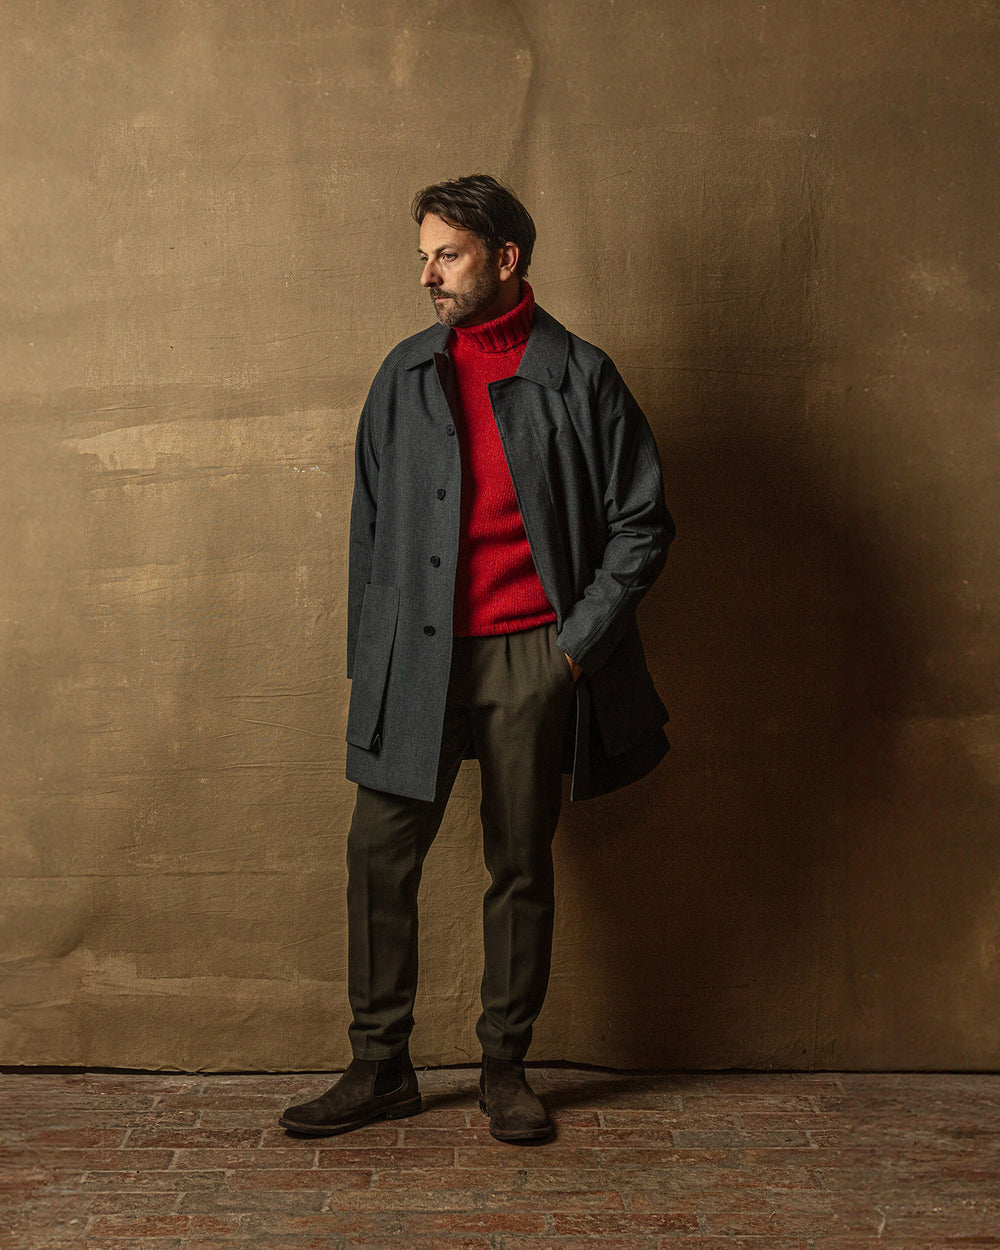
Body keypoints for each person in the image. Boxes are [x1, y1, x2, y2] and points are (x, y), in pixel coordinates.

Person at [280, 174, 674, 1143]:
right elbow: (369, 525)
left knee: (519, 862)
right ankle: (380, 1065)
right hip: (414, 655)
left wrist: (572, 651)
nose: (428, 275)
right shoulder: (404, 375)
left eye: (446, 256)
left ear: (505, 259)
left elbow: (643, 523)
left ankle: (504, 1067)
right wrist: (371, 663)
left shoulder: (580, 376)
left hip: (529, 655)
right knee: (376, 854)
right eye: (423, 257)